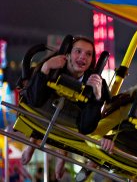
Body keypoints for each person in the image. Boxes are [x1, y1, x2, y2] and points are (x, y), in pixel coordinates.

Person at [20, 35, 110, 180]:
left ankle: (62, 155)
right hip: (42, 113)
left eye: (88, 54)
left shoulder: (96, 82)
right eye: (78, 51)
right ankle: (32, 143)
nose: (83, 57)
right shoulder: (53, 67)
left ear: (92, 61)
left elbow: (87, 127)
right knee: (43, 99)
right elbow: (33, 100)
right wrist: (46, 68)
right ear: (67, 55)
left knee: (82, 116)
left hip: (70, 125)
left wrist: (97, 96)